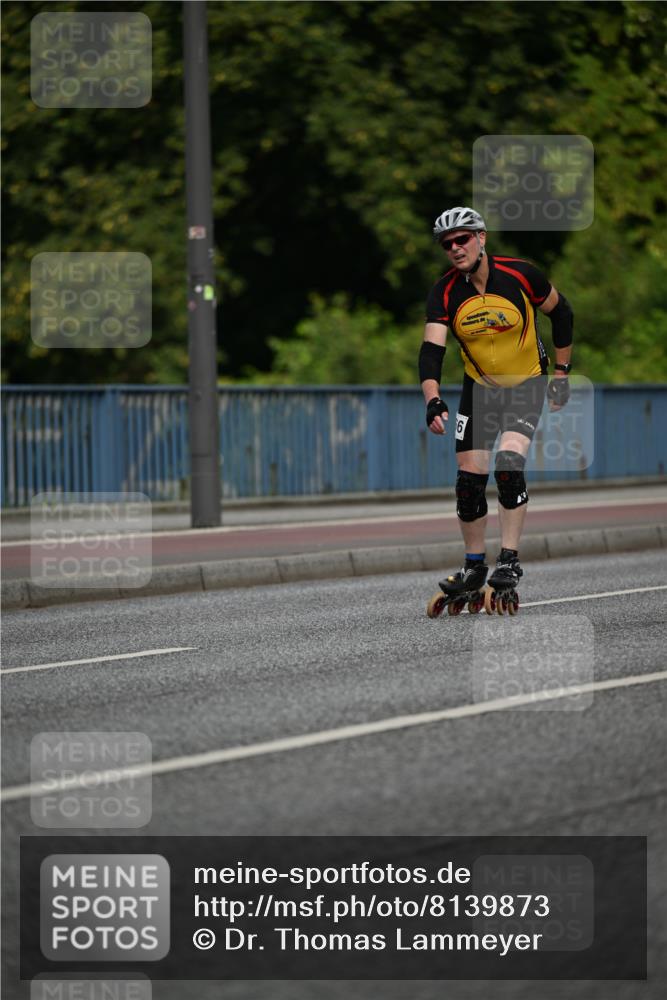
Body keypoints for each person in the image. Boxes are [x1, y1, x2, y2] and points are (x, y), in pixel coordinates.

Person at [419, 205, 573, 605]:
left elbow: (563, 313)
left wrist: (561, 373)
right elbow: (431, 351)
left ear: (481, 238)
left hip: (526, 383)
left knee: (507, 465)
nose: (455, 248)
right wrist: (433, 399)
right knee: (468, 482)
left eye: (462, 239)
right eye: (447, 244)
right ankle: (474, 566)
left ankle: (509, 560)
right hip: (479, 389)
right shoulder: (445, 292)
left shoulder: (522, 273)